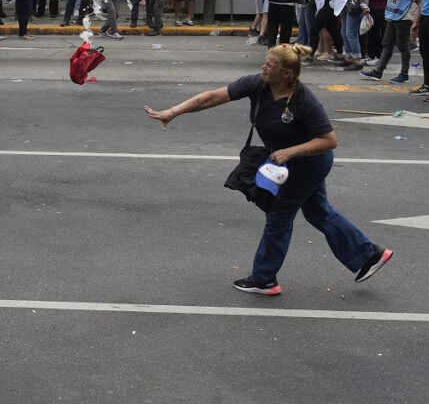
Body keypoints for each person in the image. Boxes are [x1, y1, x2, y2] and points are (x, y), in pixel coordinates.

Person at [144, 44, 393, 294]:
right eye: (265, 62)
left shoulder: (304, 101)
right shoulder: (257, 85)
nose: (264, 67)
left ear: (286, 73)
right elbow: (212, 97)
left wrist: (290, 151)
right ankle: (368, 255)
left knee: (279, 215)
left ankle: (264, 278)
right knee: (318, 212)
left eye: (270, 66)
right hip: (288, 164)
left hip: (309, 163)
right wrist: (173, 112)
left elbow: (330, 141)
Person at [360, 0, 420, 83]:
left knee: (403, 45)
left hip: (405, 15)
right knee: (387, 43)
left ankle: (404, 74)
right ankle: (378, 71)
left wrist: (414, 19)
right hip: (392, 13)